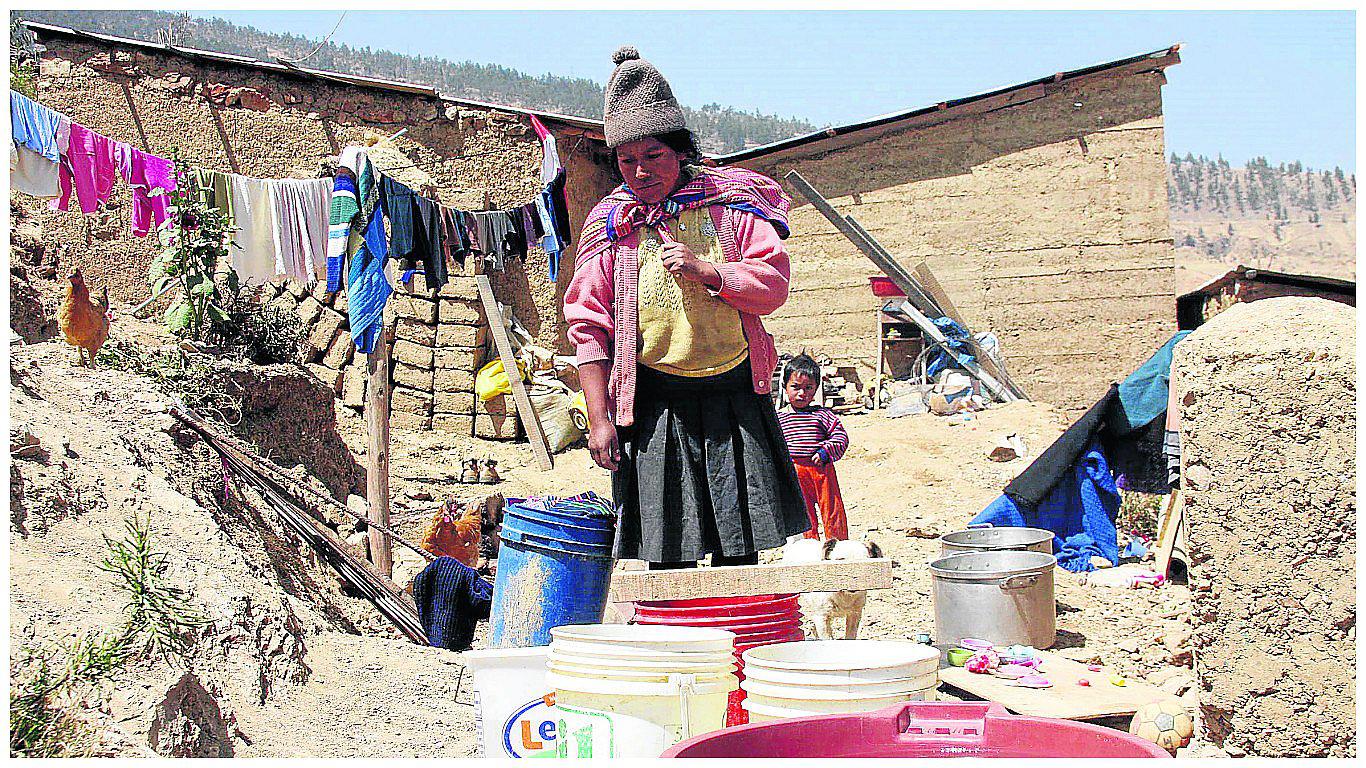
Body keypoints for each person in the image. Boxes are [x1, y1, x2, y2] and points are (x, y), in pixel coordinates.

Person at [563, 46, 810, 570]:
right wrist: (599, 418)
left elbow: (773, 283)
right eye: (627, 160)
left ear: (679, 150)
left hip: (734, 395)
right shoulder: (612, 225)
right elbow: (588, 325)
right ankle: (679, 651)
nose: (640, 171)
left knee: (739, 552)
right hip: (657, 403)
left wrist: (711, 273)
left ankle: (741, 646)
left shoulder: (731, 204)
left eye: (652, 156)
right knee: (666, 550)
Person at [776, 354, 851, 541]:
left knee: (832, 509)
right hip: (794, 471)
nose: (802, 393)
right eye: (795, 387)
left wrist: (826, 450)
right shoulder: (779, 418)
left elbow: (841, 436)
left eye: (808, 388)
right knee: (802, 511)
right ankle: (808, 548)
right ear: (785, 387)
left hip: (821, 469)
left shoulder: (822, 415)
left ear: (816, 389)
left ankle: (837, 546)